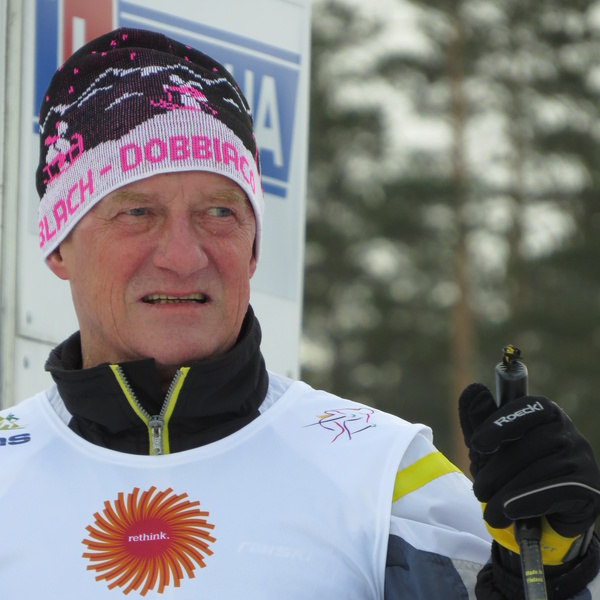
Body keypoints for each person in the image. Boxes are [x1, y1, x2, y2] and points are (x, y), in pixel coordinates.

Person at [1, 27, 599, 598]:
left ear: (253, 247)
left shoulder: (382, 475)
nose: (184, 257)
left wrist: (558, 572)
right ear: (58, 245)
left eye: (219, 212)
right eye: (137, 212)